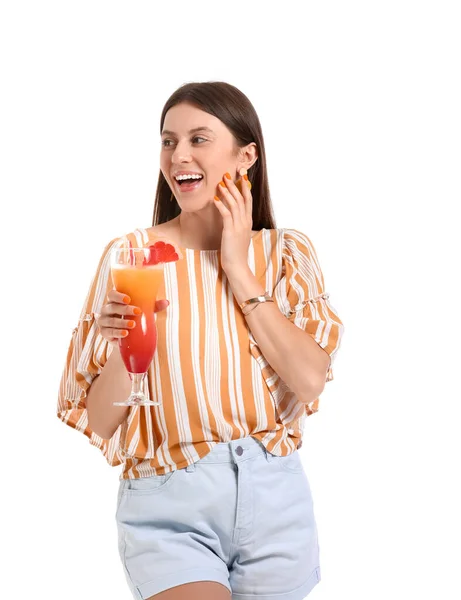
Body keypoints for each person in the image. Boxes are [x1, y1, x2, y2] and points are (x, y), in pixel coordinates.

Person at [57, 81, 344, 600]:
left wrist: (237, 265)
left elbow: (308, 380)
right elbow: (101, 420)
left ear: (246, 155)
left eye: (198, 139)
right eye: (168, 141)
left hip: (275, 496)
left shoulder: (284, 253)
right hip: (168, 497)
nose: (178, 156)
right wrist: (127, 346)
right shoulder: (131, 255)